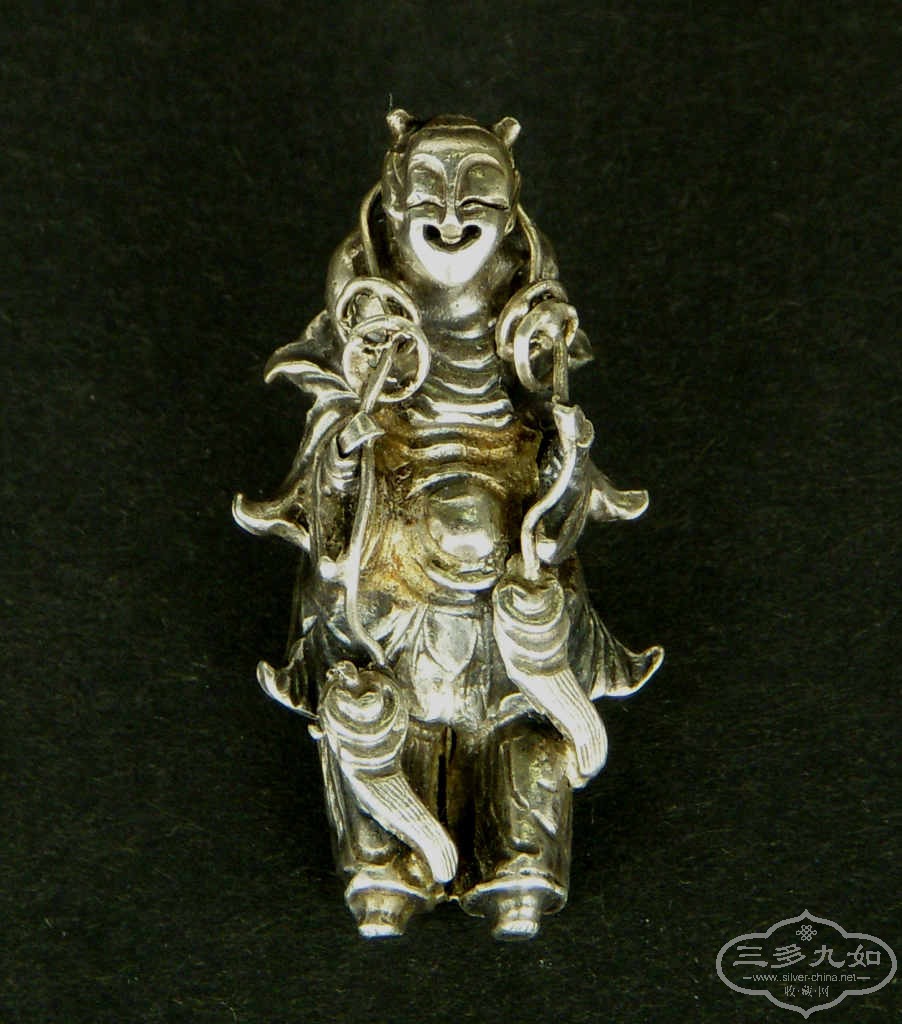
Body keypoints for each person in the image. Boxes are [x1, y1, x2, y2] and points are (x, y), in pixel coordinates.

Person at [235, 111, 662, 939]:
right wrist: (346, 458)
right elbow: (326, 490)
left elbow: (563, 485)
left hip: (511, 604)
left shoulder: (533, 342)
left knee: (527, 737)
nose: (453, 212)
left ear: (511, 204)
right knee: (372, 717)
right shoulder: (364, 344)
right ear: (393, 204)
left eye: (479, 189)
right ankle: (384, 865)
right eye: (429, 188)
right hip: (391, 588)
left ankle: (521, 865)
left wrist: (565, 460)